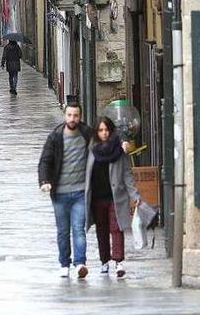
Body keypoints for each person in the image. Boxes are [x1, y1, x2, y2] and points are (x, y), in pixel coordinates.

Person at [38, 102, 93, 278]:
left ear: (80, 117)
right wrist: (45, 181)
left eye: (76, 115)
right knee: (63, 230)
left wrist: (121, 142)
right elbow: (45, 161)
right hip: (59, 194)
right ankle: (64, 263)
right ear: (64, 116)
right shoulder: (55, 137)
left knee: (78, 228)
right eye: (69, 115)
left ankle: (80, 263)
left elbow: (106, 137)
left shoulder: (87, 134)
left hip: (80, 192)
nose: (72, 119)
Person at [84, 116, 140, 278]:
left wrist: (134, 194)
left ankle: (118, 261)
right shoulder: (91, 149)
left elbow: (127, 174)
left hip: (116, 197)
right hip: (96, 197)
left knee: (116, 228)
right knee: (101, 230)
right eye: (101, 130)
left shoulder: (119, 150)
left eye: (106, 130)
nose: (104, 133)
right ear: (96, 132)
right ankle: (104, 261)